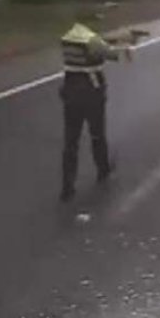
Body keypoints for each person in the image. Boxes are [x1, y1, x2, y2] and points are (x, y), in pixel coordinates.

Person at [59, 12, 132, 202]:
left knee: (70, 141)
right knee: (97, 134)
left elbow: (97, 45)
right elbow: (111, 54)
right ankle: (103, 170)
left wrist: (110, 40)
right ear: (89, 23)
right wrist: (125, 43)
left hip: (69, 91)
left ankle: (67, 185)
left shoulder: (68, 37)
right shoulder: (91, 39)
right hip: (91, 92)